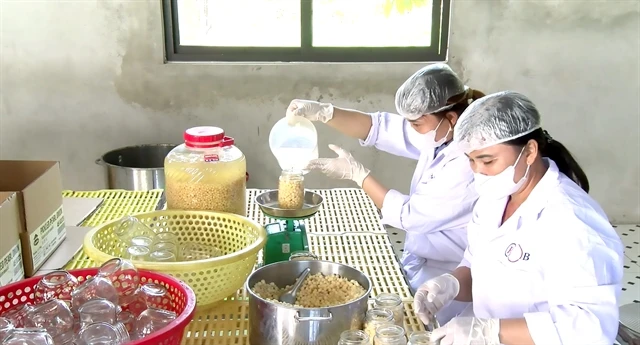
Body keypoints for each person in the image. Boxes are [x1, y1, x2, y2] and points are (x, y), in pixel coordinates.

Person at [413, 91, 624, 345]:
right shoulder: (495, 198)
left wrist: (491, 331)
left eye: (487, 161)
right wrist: (451, 284)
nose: (478, 172)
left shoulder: (572, 221)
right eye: (471, 161)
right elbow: (478, 265)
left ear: (529, 151)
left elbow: (588, 328)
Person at [286, 64, 484, 324]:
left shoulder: (468, 161)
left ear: (451, 118)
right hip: (422, 260)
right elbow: (377, 127)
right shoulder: (441, 133)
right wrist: (324, 112)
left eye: (416, 123)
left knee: (430, 330)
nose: (410, 128)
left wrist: (358, 174)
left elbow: (409, 216)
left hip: (447, 276)